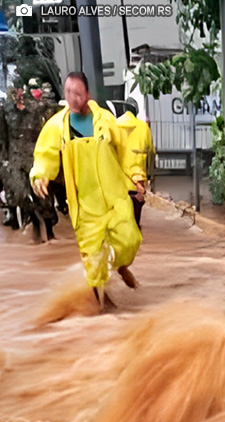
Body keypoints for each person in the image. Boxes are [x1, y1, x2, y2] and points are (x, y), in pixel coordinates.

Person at [29, 72, 145, 306]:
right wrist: (41, 175)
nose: (72, 97)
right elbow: (45, 155)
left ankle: (121, 267)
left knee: (130, 240)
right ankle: (101, 307)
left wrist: (136, 175)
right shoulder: (57, 126)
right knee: (92, 261)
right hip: (84, 203)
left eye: (77, 93)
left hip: (114, 197)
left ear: (87, 95)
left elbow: (125, 149)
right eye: (68, 92)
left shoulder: (105, 119)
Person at [115, 102, 154, 229]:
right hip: (138, 182)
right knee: (136, 224)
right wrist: (150, 175)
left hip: (119, 181)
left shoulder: (114, 126)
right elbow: (151, 153)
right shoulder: (143, 127)